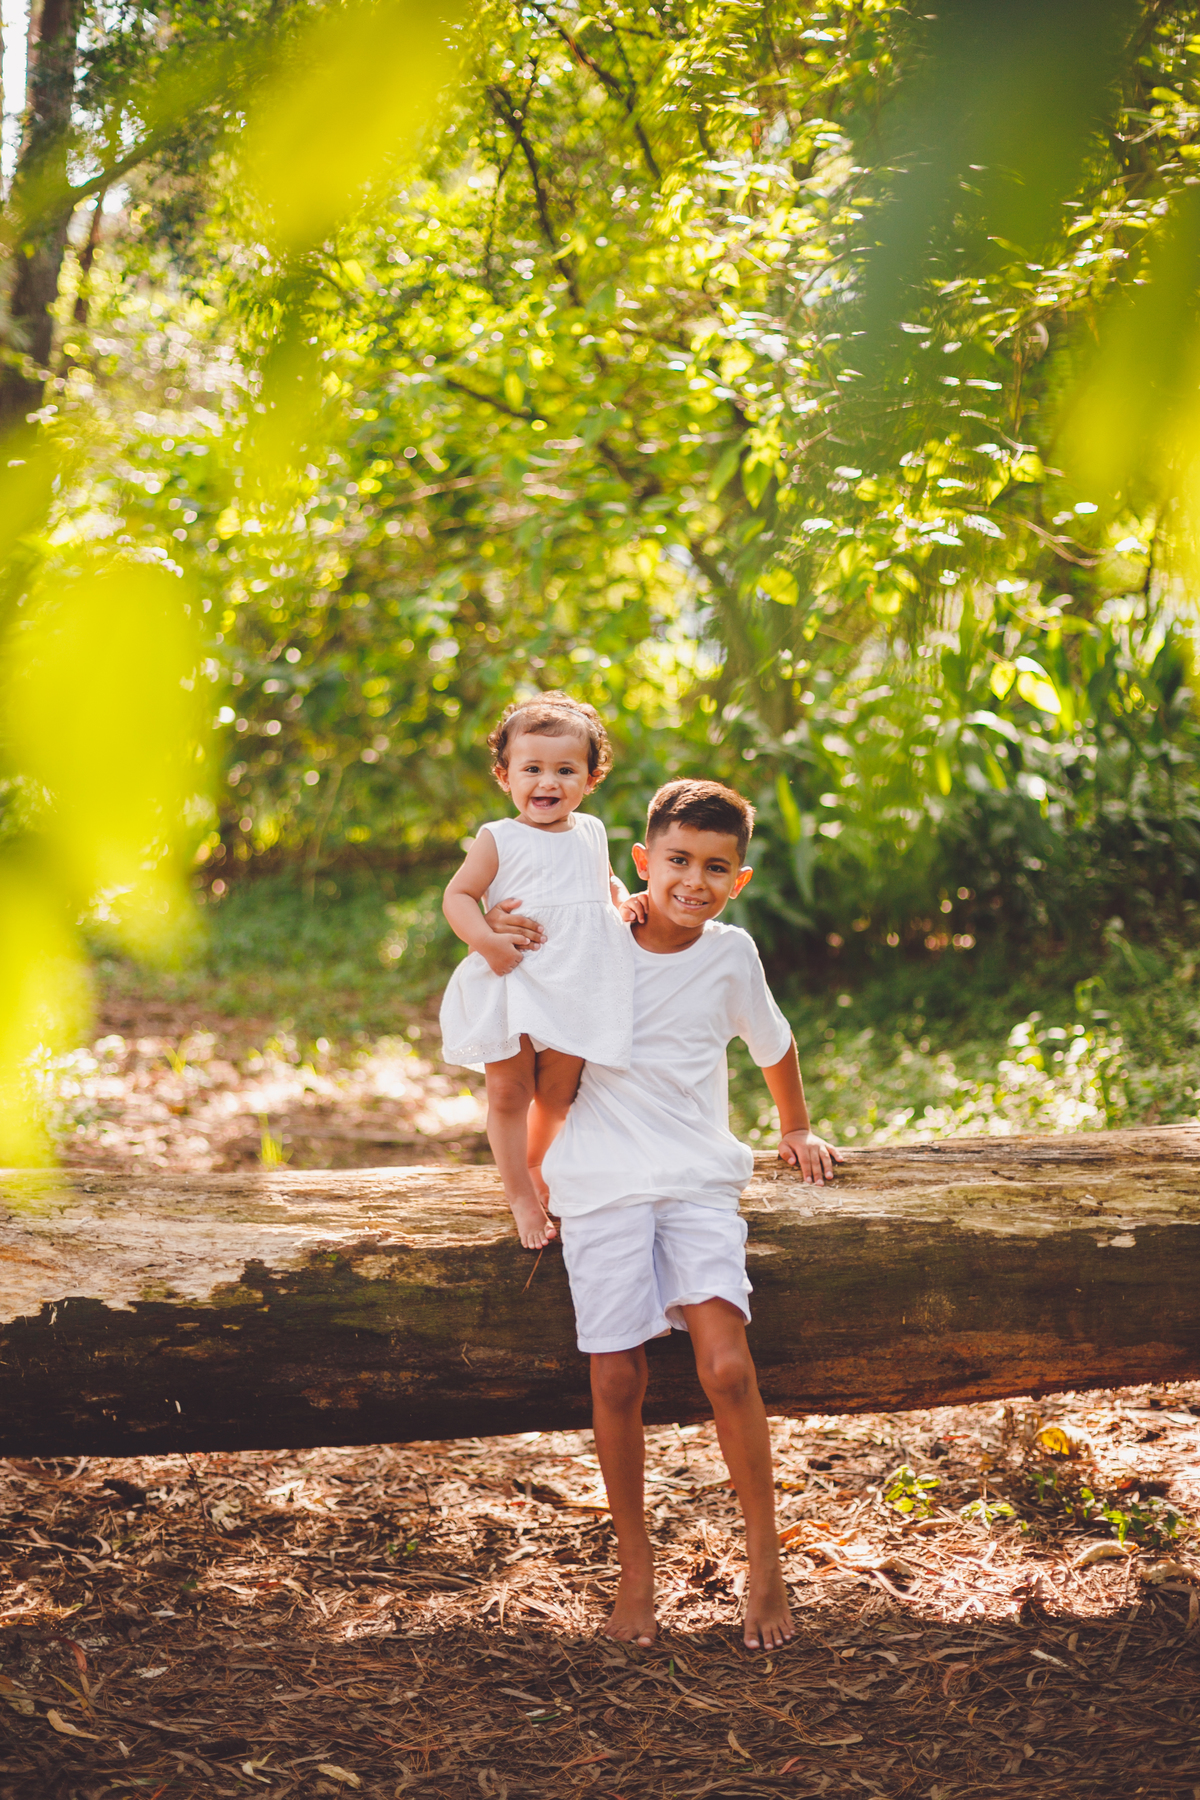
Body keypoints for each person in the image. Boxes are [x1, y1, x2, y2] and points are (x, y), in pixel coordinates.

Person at [542, 778, 843, 1651]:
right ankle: (636, 1567)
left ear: (738, 880)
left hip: (695, 1176)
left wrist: (796, 1127)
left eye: (716, 867)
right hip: (599, 1177)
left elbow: (775, 1043)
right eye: (676, 861)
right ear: (644, 863)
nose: (693, 881)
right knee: (617, 1378)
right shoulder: (602, 939)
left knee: (726, 1367)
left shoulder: (732, 953)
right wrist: (527, 1179)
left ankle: (766, 1560)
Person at [439, 694, 634, 1250]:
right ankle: (520, 1194)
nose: (548, 782)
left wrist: (625, 903)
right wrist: (484, 941)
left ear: (590, 778)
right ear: (505, 776)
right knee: (508, 1092)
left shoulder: (592, 831)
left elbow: (604, 886)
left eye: (565, 770)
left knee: (558, 1093)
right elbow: (458, 897)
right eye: (532, 769)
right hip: (516, 979)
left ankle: (541, 1168)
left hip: (578, 986)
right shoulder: (498, 838)